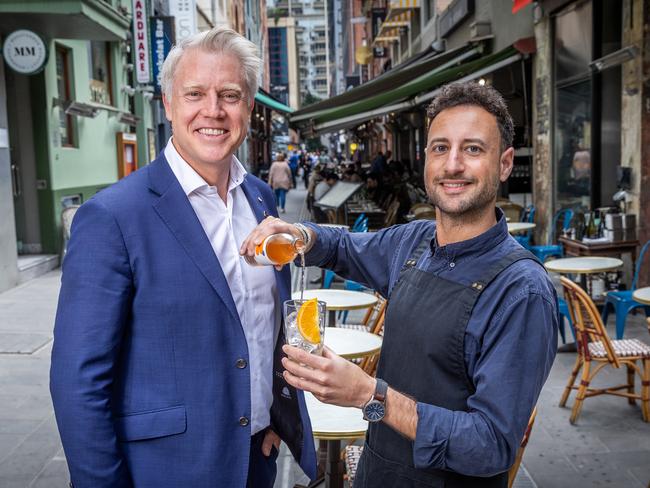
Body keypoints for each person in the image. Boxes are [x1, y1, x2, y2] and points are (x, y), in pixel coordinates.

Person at [241, 82, 558, 487]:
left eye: (473, 149)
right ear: (427, 159)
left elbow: (490, 445)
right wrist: (301, 234)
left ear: (505, 163)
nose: (453, 164)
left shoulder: (522, 290)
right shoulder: (413, 241)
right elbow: (342, 247)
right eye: (441, 148)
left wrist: (370, 395)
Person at [50, 26, 316, 488]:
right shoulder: (111, 217)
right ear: (169, 104)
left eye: (230, 95)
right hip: (163, 471)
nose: (213, 110)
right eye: (195, 93)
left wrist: (275, 414)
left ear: (249, 108)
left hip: (255, 460)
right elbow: (78, 383)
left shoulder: (259, 200)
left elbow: (264, 327)